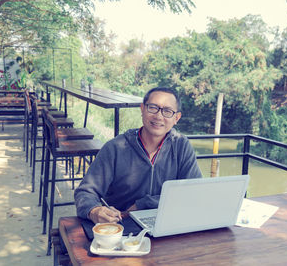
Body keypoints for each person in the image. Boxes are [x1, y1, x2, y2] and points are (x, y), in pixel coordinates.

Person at [74, 87, 202, 223]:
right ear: (142, 109)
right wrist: (94, 211)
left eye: (167, 111)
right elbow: (85, 192)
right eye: (153, 108)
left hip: (167, 223)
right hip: (122, 223)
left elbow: (194, 192)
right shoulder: (115, 148)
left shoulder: (181, 146)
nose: (159, 116)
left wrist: (144, 204)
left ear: (176, 118)